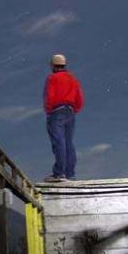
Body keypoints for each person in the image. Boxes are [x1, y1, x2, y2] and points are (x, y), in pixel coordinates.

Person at [44, 54, 84, 182]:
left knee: (59, 143)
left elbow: (49, 97)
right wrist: (74, 109)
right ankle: (70, 174)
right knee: (68, 143)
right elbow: (80, 99)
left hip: (57, 112)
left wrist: (49, 111)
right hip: (70, 112)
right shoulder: (73, 79)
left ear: (53, 65)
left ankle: (59, 174)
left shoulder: (53, 78)